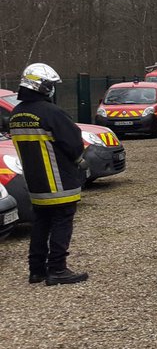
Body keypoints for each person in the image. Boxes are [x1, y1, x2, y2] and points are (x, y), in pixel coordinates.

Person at [9, 63, 89, 285]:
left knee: (41, 223)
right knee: (62, 222)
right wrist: (79, 161)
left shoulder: (16, 114)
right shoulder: (51, 112)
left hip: (35, 183)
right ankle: (58, 269)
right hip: (59, 181)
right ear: (42, 87)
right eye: (50, 85)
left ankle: (36, 270)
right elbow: (73, 142)